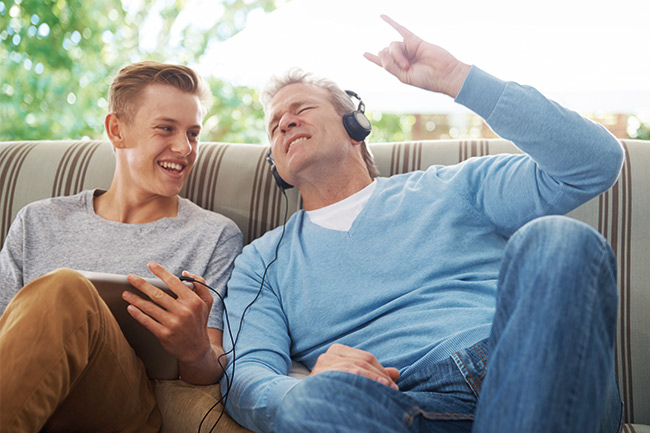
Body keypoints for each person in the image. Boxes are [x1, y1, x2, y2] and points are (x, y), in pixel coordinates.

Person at [220, 15, 624, 433]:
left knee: (560, 240)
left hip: (531, 368)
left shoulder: (454, 185)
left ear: (355, 126)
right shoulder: (262, 262)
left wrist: (460, 79)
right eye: (274, 125)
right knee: (310, 406)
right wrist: (305, 387)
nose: (285, 122)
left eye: (301, 109)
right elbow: (245, 377)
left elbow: (593, 163)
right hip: (405, 406)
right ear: (277, 167)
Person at [0, 61, 243, 432]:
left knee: (67, 289)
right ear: (117, 130)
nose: (184, 148)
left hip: (124, 408)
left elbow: (210, 368)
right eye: (166, 129)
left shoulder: (213, 235)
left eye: (193, 133)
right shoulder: (38, 221)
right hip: (30, 400)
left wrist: (194, 350)